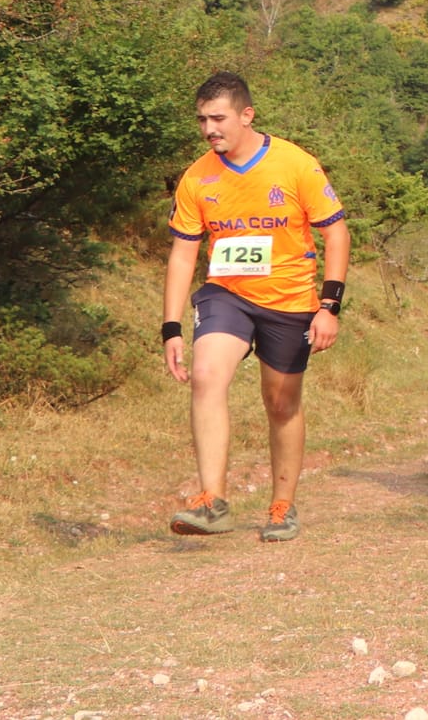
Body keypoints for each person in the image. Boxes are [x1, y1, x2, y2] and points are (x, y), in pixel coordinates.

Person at [161, 71, 349, 543]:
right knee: (206, 375)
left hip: (289, 299)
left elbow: (336, 233)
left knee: (281, 402)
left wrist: (329, 305)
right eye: (202, 120)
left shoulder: (296, 165)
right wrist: (171, 328)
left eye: (218, 118)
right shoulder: (197, 177)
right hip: (227, 295)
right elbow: (184, 252)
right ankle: (212, 500)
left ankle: (282, 505)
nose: (209, 129)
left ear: (247, 115)